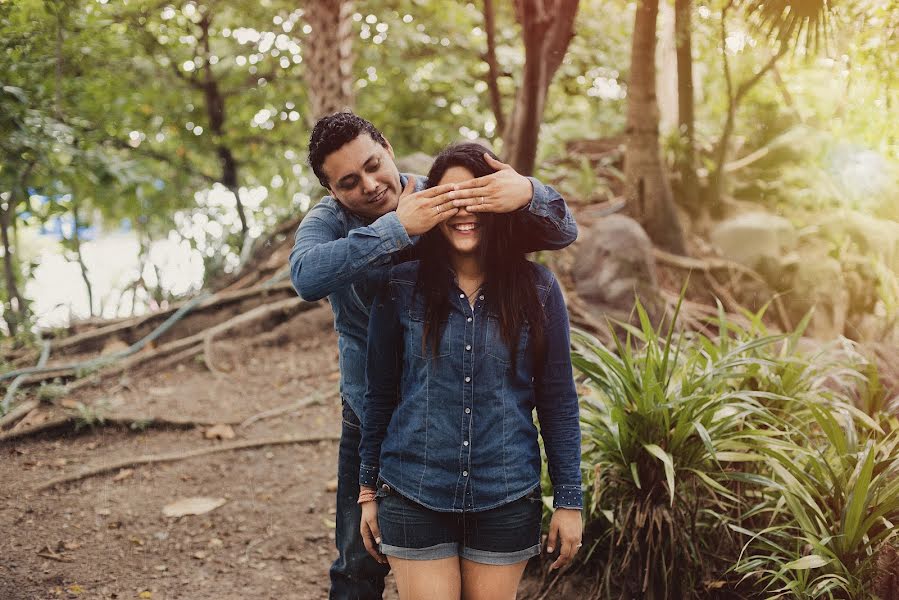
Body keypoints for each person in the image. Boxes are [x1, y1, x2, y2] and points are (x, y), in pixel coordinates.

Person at [289, 112, 578, 600]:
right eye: (349, 182)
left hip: (476, 425)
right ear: (332, 190)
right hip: (374, 414)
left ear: (388, 147)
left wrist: (527, 192)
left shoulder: (450, 194)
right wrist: (397, 228)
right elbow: (305, 276)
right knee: (358, 564)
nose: (370, 185)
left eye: (373, 165)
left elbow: (557, 233)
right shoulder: (332, 220)